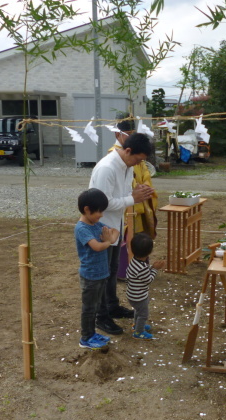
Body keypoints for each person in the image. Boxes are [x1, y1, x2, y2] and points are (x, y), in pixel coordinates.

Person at [89, 132, 155, 335]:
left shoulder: (126, 165)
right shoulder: (107, 168)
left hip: (115, 227)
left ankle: (112, 306)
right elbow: (101, 203)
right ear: (128, 150)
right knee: (102, 274)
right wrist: (131, 199)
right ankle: (101, 317)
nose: (138, 164)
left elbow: (123, 194)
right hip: (101, 229)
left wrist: (137, 193)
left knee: (112, 270)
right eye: (138, 159)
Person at [74, 188, 119, 350]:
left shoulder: (96, 224)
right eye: (99, 211)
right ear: (87, 209)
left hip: (101, 274)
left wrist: (109, 238)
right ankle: (86, 338)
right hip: (90, 277)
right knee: (89, 309)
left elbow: (116, 231)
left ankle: (92, 333)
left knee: (97, 305)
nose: (101, 215)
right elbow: (97, 247)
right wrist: (108, 242)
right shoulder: (82, 228)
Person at [126, 233, 165, 340]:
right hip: (139, 297)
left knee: (138, 312)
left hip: (132, 295)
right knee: (143, 314)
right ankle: (139, 332)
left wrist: (151, 267)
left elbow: (143, 274)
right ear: (149, 251)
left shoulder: (134, 261)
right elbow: (148, 280)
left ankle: (137, 325)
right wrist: (155, 269)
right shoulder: (142, 267)